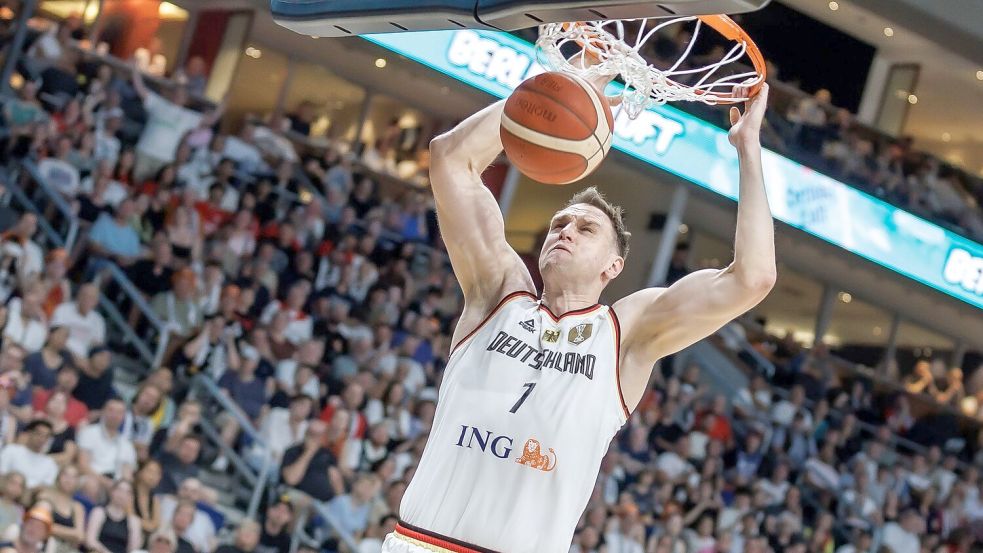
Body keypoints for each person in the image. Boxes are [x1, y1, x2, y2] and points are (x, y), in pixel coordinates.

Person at [382, 73, 775, 552]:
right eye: (558, 224)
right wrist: (551, 94)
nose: (565, 231)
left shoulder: (625, 333)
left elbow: (752, 278)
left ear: (615, 265)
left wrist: (748, 150)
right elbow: (450, 159)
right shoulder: (497, 293)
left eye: (586, 229)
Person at [84, 480, 143, 553]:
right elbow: (90, 541)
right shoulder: (99, 512)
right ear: (112, 491)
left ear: (131, 497)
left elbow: (133, 549)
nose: (122, 495)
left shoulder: (134, 521)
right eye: (119, 490)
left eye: (128, 492)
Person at [0, 420, 59, 489]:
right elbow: (2, 474)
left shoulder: (50, 464)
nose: (42, 439)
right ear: (30, 433)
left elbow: (45, 488)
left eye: (46, 436)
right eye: (39, 434)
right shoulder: (11, 450)